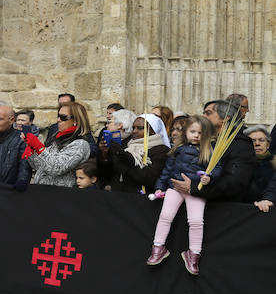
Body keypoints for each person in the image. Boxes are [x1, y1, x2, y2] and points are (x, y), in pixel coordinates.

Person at [147, 116, 219, 275]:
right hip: (175, 187)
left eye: (200, 133)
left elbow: (216, 168)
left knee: (196, 221)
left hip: (195, 190)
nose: (196, 135)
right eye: (192, 131)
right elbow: (167, 170)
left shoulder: (210, 151)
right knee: (165, 216)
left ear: (206, 135)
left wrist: (210, 177)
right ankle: (158, 247)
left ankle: (193, 254)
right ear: (185, 132)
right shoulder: (177, 149)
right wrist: (160, 186)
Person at [167, 100, 255, 203]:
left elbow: (234, 181)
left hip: (225, 207)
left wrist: (196, 188)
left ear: (225, 118)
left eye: (208, 113)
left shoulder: (240, 145)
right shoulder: (201, 141)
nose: (203, 116)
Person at [23, 101, 92, 187]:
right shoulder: (57, 139)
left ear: (76, 120)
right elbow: (39, 166)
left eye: (63, 117)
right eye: (58, 116)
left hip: (61, 195)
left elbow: (56, 168)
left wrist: (38, 146)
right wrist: (32, 148)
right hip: (43, 191)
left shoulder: (80, 144)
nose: (58, 120)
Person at [98, 113, 170, 194]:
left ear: (153, 130)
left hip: (140, 199)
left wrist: (125, 159)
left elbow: (149, 178)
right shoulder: (126, 144)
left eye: (140, 128)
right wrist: (104, 154)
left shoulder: (162, 150)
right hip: (117, 195)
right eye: (133, 128)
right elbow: (108, 173)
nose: (134, 131)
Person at [244, 125, 273, 202]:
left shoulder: (274, 163)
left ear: (268, 145)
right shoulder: (240, 163)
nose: (257, 144)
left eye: (261, 140)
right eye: (253, 140)